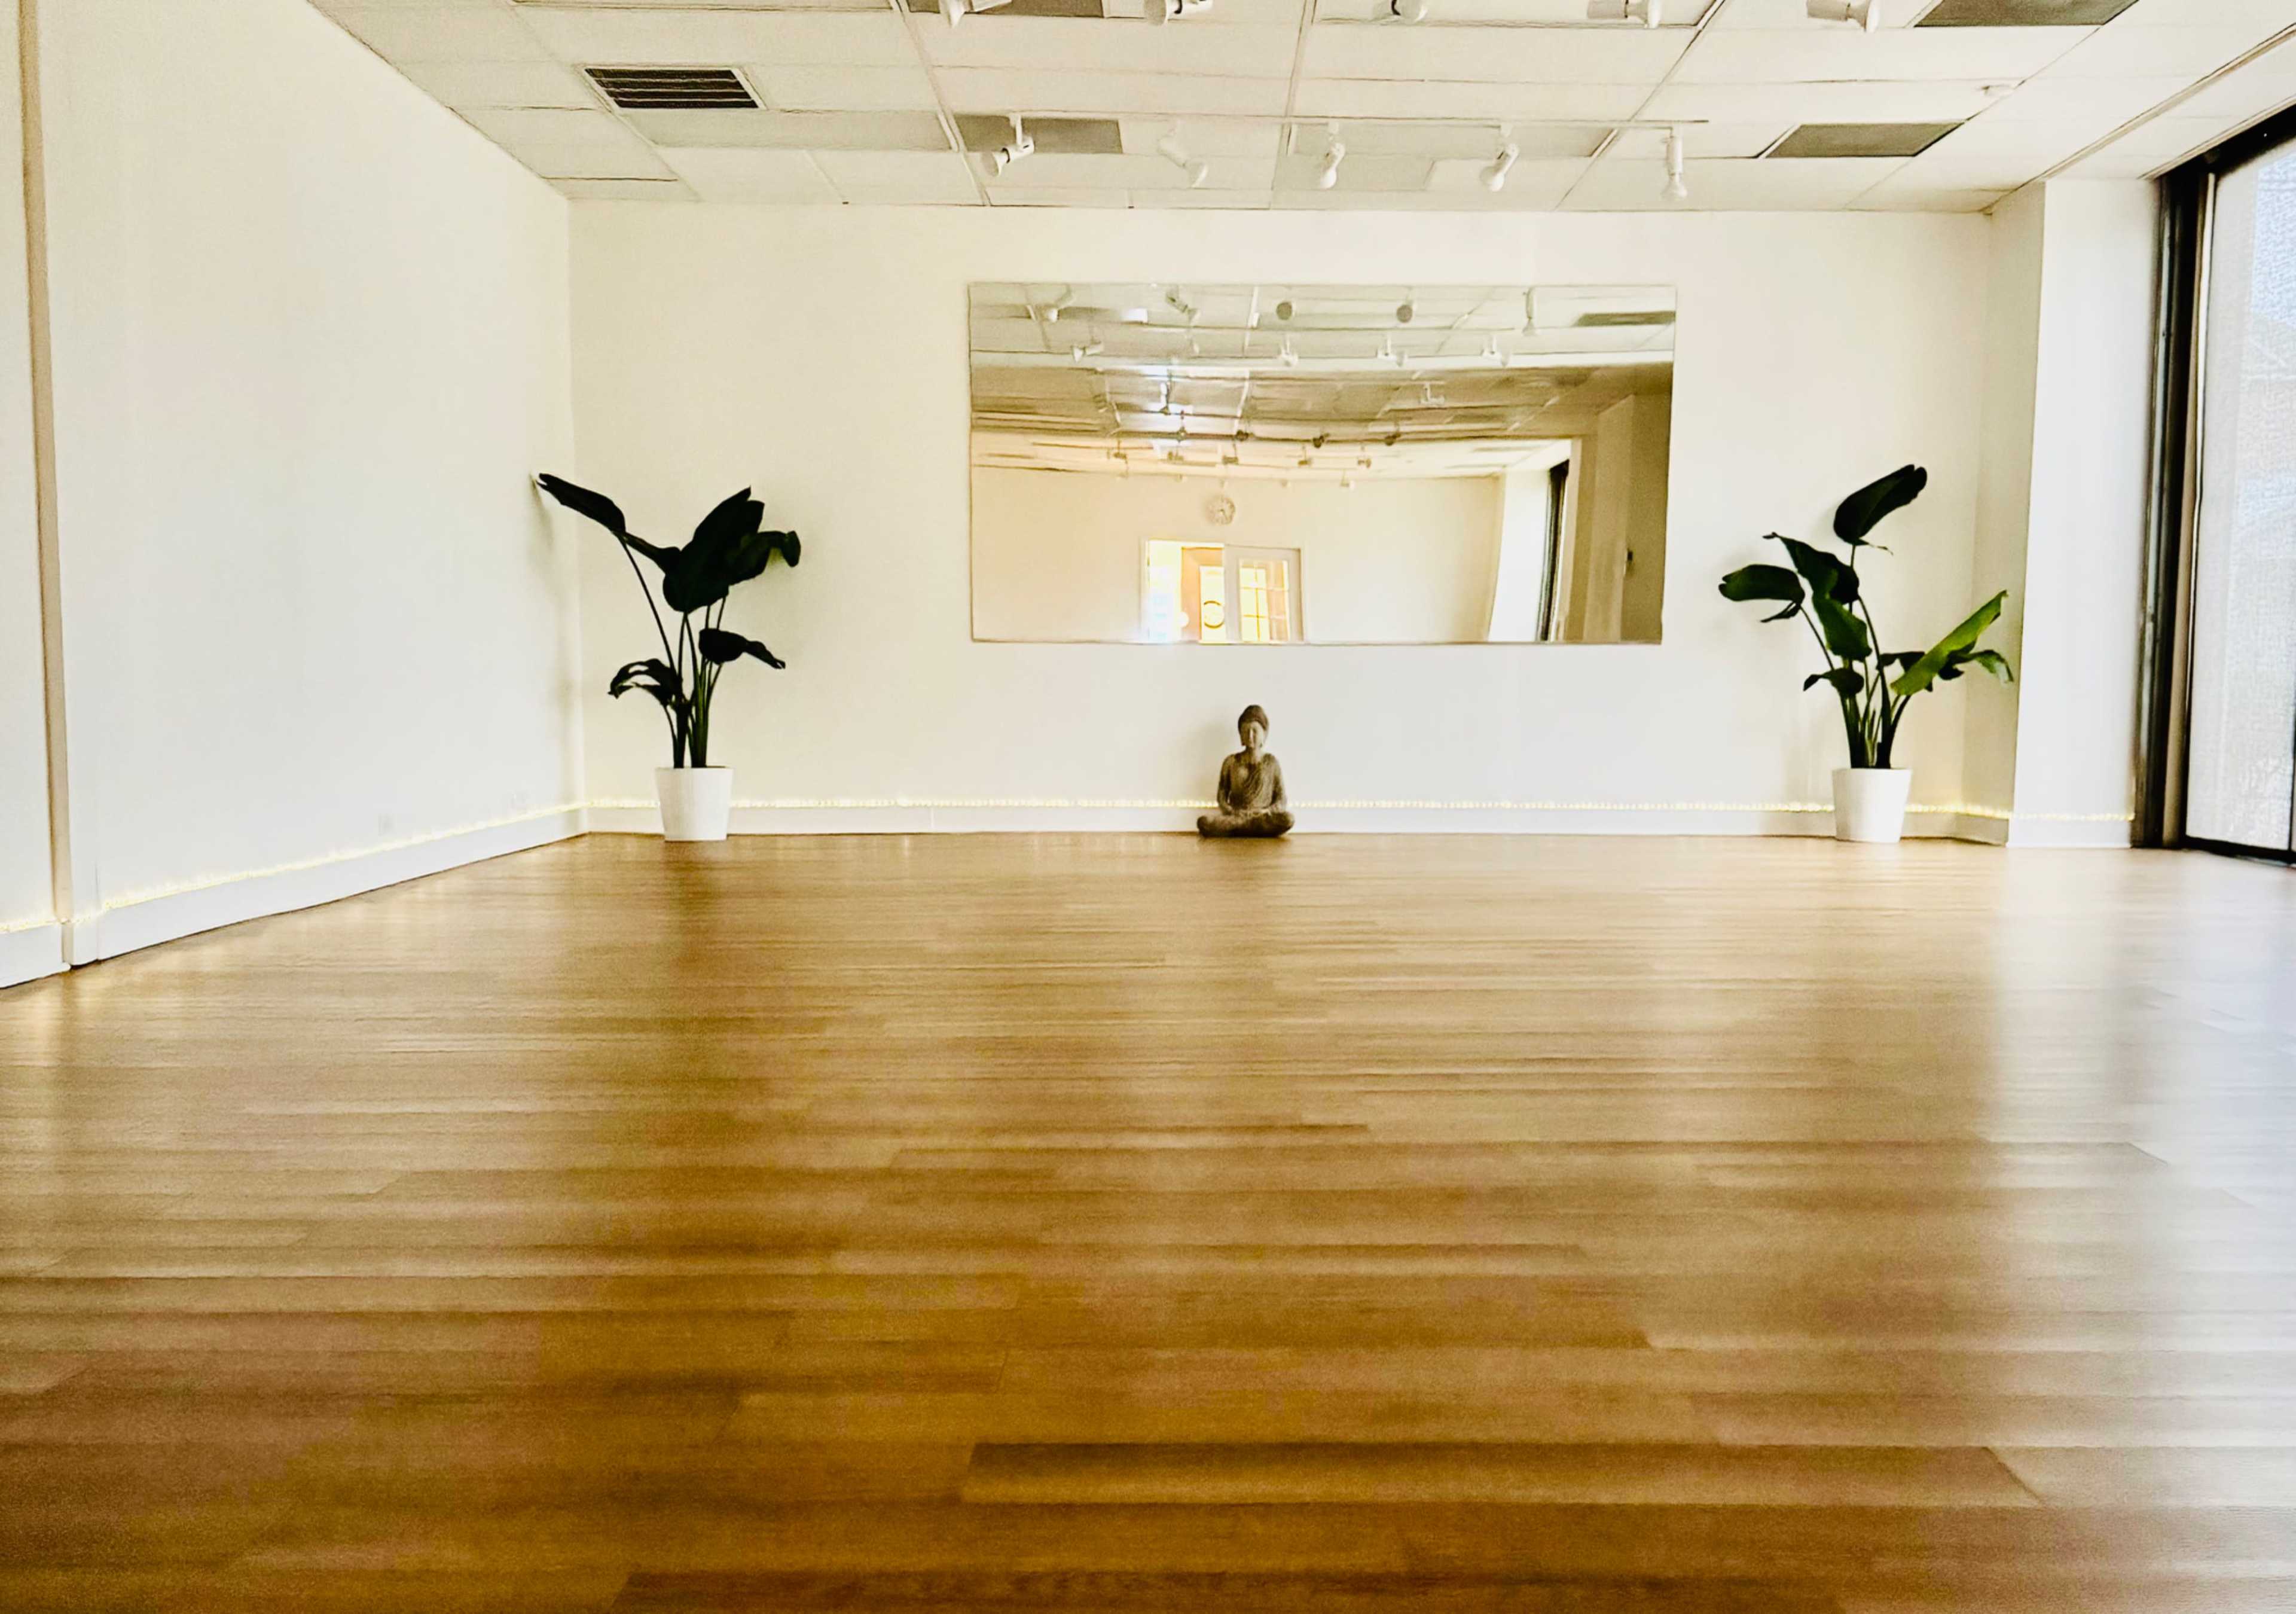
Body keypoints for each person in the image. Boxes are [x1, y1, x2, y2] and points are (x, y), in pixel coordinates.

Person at [1197, 704, 1293, 838]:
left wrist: (1265, 812)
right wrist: (1233, 812)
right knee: (1204, 822)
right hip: (1238, 817)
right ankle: (1249, 828)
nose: (1250, 736)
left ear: (1264, 734)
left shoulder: (1272, 762)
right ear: (1240, 735)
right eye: (1246, 731)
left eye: (1255, 731)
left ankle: (1245, 829)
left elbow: (1281, 800)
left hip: (1263, 817)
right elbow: (1222, 796)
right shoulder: (1231, 762)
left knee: (1288, 819)